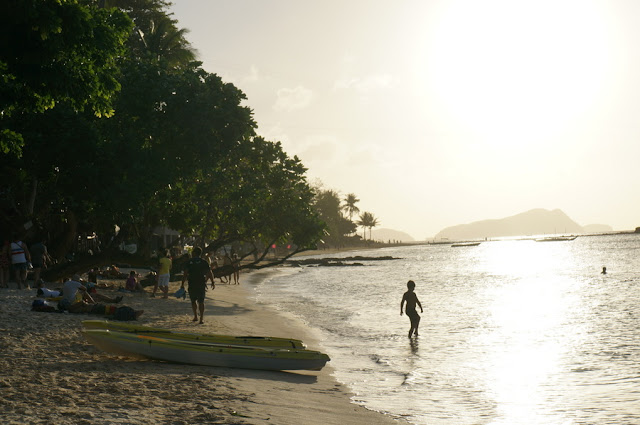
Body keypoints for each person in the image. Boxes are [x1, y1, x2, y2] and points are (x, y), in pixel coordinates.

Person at [181, 247, 214, 324]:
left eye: (193, 252)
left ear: (194, 253)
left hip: (192, 283)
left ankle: (195, 316)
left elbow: (185, 274)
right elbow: (210, 272)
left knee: (193, 300)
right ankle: (201, 318)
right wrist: (213, 282)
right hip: (201, 283)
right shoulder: (204, 262)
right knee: (201, 301)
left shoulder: (189, 262)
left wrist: (182, 284)